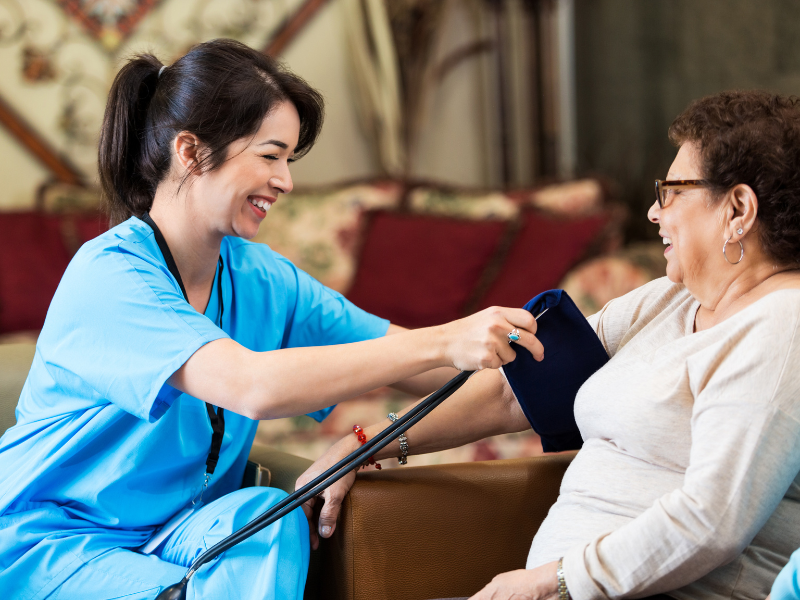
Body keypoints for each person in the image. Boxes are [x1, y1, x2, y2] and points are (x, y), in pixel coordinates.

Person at [0, 39, 543, 600]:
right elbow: (253, 387)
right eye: (269, 155)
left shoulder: (263, 278)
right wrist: (444, 340)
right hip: (54, 543)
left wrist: (560, 364)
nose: (285, 181)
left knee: (271, 513)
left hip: (173, 535)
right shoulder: (109, 278)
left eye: (288, 160)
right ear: (191, 152)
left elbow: (420, 368)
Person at [299, 89, 800, 600]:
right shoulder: (673, 298)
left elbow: (712, 520)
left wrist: (551, 581)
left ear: (737, 209)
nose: (653, 212)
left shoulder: (784, 328)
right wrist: (364, 444)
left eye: (671, 191)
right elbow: (519, 387)